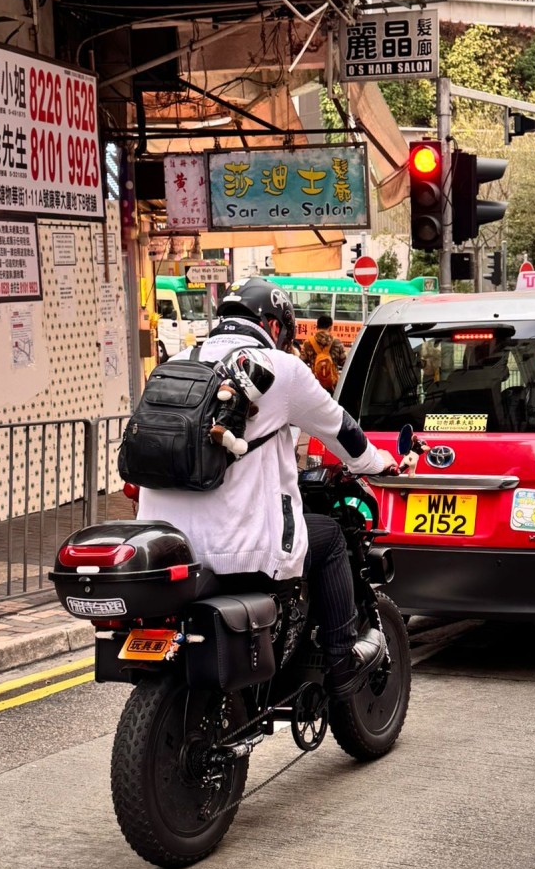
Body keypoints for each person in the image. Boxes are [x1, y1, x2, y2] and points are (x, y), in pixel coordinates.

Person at [136, 278, 397, 699]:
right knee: (329, 539)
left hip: (166, 544)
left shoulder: (175, 362)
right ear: (275, 327)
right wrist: (380, 463)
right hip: (241, 546)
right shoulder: (282, 369)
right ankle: (341, 663)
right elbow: (342, 431)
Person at [301, 313, 347, 393]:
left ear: (317, 327)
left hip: (314, 386)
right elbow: (345, 363)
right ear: (330, 328)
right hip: (333, 387)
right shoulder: (336, 342)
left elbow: (301, 363)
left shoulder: (308, 343)